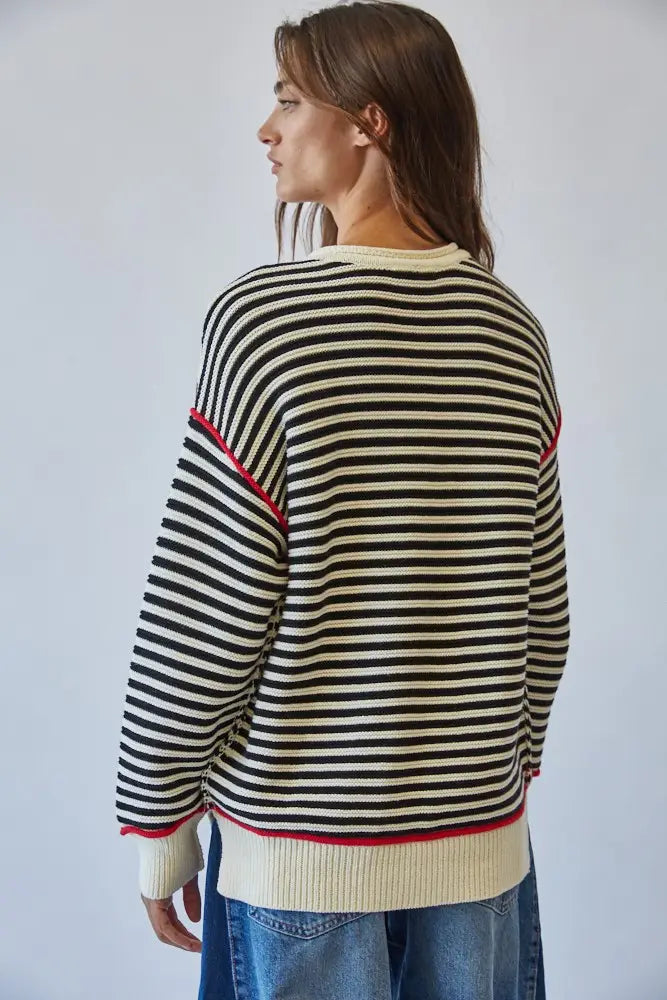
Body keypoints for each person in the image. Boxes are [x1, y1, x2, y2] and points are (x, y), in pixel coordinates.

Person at [115, 3, 569, 998]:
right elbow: (542, 611)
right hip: (480, 855)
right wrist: (491, 778)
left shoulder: (267, 321)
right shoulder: (510, 329)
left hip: (302, 857)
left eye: (288, 100)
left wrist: (156, 819)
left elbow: (208, 605)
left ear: (371, 120)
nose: (265, 129)